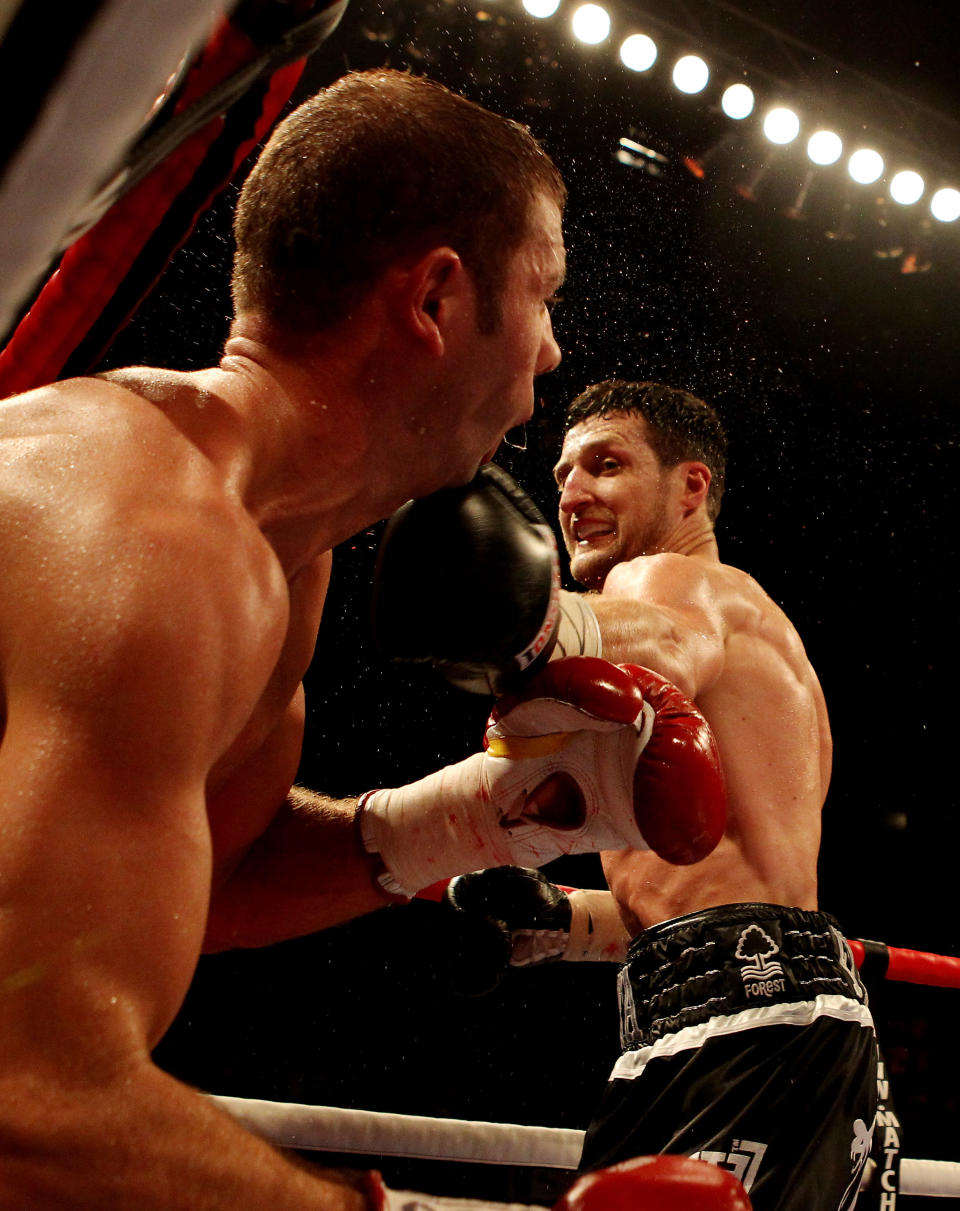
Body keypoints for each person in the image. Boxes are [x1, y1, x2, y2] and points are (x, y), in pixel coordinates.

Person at [0, 70, 727, 1208]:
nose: (547, 353)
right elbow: (22, 1097)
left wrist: (480, 813)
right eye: (542, 296)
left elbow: (212, 879)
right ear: (436, 298)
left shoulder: (279, 560)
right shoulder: (154, 536)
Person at [445, 380, 878, 1210]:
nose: (573, 495)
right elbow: (722, 893)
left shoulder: (668, 580)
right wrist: (562, 923)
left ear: (691, 485)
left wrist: (529, 621)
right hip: (751, 1013)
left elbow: (665, 649)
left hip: (750, 1028)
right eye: (564, 474)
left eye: (607, 467)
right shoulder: (759, 636)